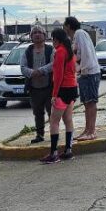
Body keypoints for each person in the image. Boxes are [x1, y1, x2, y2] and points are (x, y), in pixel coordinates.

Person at [41, 28, 79, 164]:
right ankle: (68, 150)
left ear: (56, 39)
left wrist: (54, 94)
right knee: (68, 119)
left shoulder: (60, 53)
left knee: (54, 121)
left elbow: (58, 76)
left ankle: (54, 153)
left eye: (52, 39)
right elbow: (74, 71)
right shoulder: (70, 52)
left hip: (62, 90)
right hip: (72, 88)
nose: (52, 42)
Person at [63, 16, 101, 141]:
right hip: (84, 73)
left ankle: (92, 131)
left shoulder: (79, 33)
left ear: (68, 25)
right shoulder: (75, 37)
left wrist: (83, 70)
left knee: (91, 102)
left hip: (89, 73)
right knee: (86, 103)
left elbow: (86, 52)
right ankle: (87, 130)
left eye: (64, 25)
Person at [20, 25, 54, 144]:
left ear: (44, 36)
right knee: (37, 112)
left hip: (50, 87)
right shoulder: (28, 51)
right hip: (34, 88)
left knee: (52, 112)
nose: (37, 34)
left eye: (40, 32)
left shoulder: (50, 49)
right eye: (35, 33)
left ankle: (54, 133)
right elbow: (23, 67)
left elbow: (54, 64)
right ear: (31, 36)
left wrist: (41, 71)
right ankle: (40, 135)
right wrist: (32, 73)